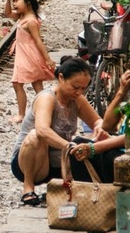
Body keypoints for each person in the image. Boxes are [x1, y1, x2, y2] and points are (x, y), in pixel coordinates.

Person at [11, 56, 107, 205]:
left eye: (83, 88)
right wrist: (69, 146)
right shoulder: (47, 98)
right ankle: (28, 187)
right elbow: (42, 130)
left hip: (59, 163)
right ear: (61, 78)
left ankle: (63, 187)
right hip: (32, 162)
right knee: (35, 136)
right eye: (75, 87)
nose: (78, 92)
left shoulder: (78, 100)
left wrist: (100, 127)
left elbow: (96, 120)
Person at [3, 0, 56, 124]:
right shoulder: (22, 16)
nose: (15, 4)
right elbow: (7, 13)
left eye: (17, 0)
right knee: (35, 84)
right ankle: (45, 111)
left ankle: (23, 114)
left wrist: (48, 59)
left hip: (29, 55)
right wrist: (8, 0)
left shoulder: (30, 21)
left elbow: (38, 41)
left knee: (19, 83)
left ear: (28, 3)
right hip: (24, 54)